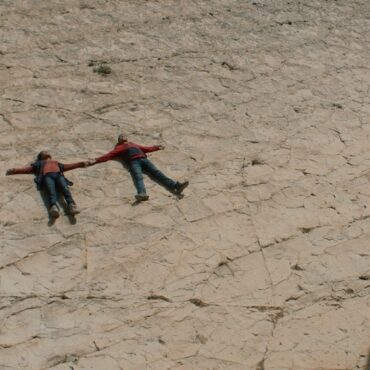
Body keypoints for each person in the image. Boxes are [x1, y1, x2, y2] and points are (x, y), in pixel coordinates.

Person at [87, 134, 189, 201]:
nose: (124, 136)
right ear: (119, 140)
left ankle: (176, 186)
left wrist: (157, 147)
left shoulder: (133, 144)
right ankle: (142, 193)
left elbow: (146, 148)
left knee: (157, 173)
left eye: (125, 135)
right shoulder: (119, 147)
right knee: (138, 177)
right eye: (122, 136)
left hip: (144, 160)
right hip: (134, 162)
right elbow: (109, 155)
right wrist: (96, 160)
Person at [6, 151, 86, 218]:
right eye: (44, 152)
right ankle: (53, 207)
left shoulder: (55, 162)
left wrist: (80, 164)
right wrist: (15, 170)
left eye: (46, 152)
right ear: (41, 157)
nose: (46, 152)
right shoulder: (39, 163)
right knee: (51, 191)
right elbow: (28, 169)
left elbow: (67, 166)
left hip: (58, 175)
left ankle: (71, 205)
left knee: (65, 189)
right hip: (47, 176)